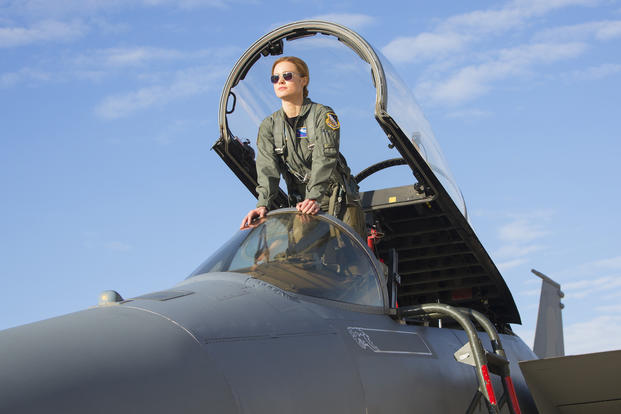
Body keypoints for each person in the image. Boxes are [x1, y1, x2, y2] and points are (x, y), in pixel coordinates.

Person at [240, 56, 365, 238]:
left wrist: (313, 197)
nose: (280, 81)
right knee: (301, 261)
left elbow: (324, 158)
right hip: (302, 205)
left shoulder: (322, 115)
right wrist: (262, 205)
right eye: (275, 78)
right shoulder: (269, 125)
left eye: (287, 75)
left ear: (303, 80)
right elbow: (267, 169)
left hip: (337, 199)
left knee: (350, 259)